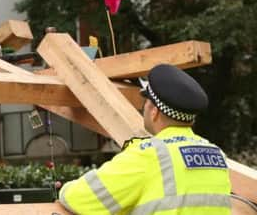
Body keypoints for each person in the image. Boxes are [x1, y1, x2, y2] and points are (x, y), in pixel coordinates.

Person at [59, 64, 231, 215]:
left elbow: (80, 199)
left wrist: (64, 189)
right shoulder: (216, 155)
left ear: (154, 111)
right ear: (191, 119)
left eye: (146, 103)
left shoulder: (149, 156)